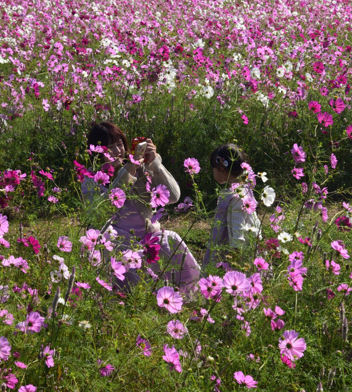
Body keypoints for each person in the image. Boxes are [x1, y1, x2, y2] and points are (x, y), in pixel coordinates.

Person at [82, 122, 200, 288]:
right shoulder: (91, 179)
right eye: (110, 147)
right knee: (128, 263)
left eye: (119, 144)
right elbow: (102, 212)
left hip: (147, 237)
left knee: (172, 239)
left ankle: (189, 291)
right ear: (97, 152)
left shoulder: (139, 168)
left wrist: (155, 164)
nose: (117, 151)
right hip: (117, 242)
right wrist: (127, 172)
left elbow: (174, 196)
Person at [203, 144, 260, 266]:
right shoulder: (245, 190)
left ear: (222, 169)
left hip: (241, 261)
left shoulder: (236, 198)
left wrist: (234, 263)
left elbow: (238, 236)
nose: (213, 172)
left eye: (213, 169)